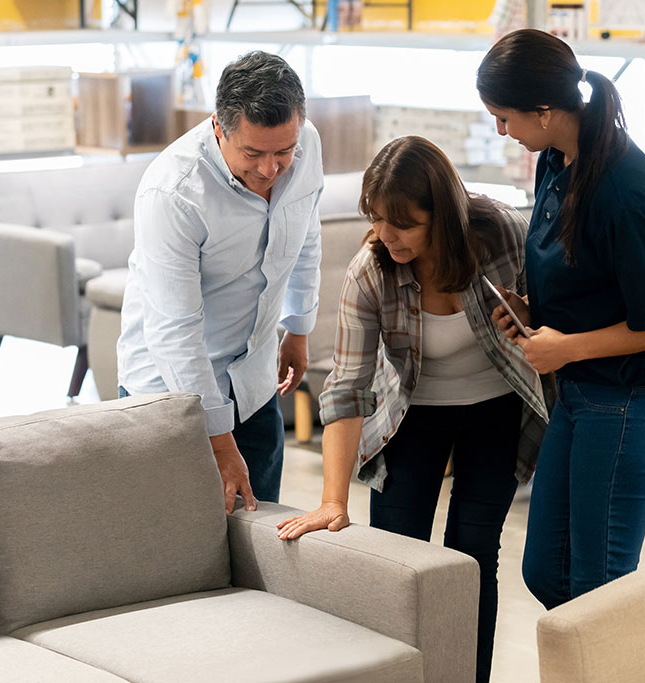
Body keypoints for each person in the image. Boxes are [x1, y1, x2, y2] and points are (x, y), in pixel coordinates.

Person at [275, 136, 549, 683]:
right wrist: (332, 500)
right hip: (411, 414)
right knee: (397, 560)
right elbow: (348, 385)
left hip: (497, 409)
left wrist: (529, 317)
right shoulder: (370, 270)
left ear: (441, 215)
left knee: (471, 556)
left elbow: (550, 318)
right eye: (376, 219)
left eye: (403, 223)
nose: (386, 235)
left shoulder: (501, 232)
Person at [476, 29, 645, 610]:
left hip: (630, 402)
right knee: (547, 572)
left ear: (545, 111)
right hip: (578, 396)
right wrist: (533, 315)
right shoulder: (557, 157)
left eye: (506, 118)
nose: (503, 131)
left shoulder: (625, 190)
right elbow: (584, 275)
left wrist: (568, 347)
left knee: (598, 594)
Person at [117, 51, 323, 514]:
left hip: (253, 378)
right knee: (178, 540)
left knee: (260, 531)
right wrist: (220, 441)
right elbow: (176, 331)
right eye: (252, 153)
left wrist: (299, 327)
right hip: (171, 390)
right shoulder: (172, 193)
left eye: (282, 152)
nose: (270, 169)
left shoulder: (304, 143)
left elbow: (306, 234)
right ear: (218, 127)